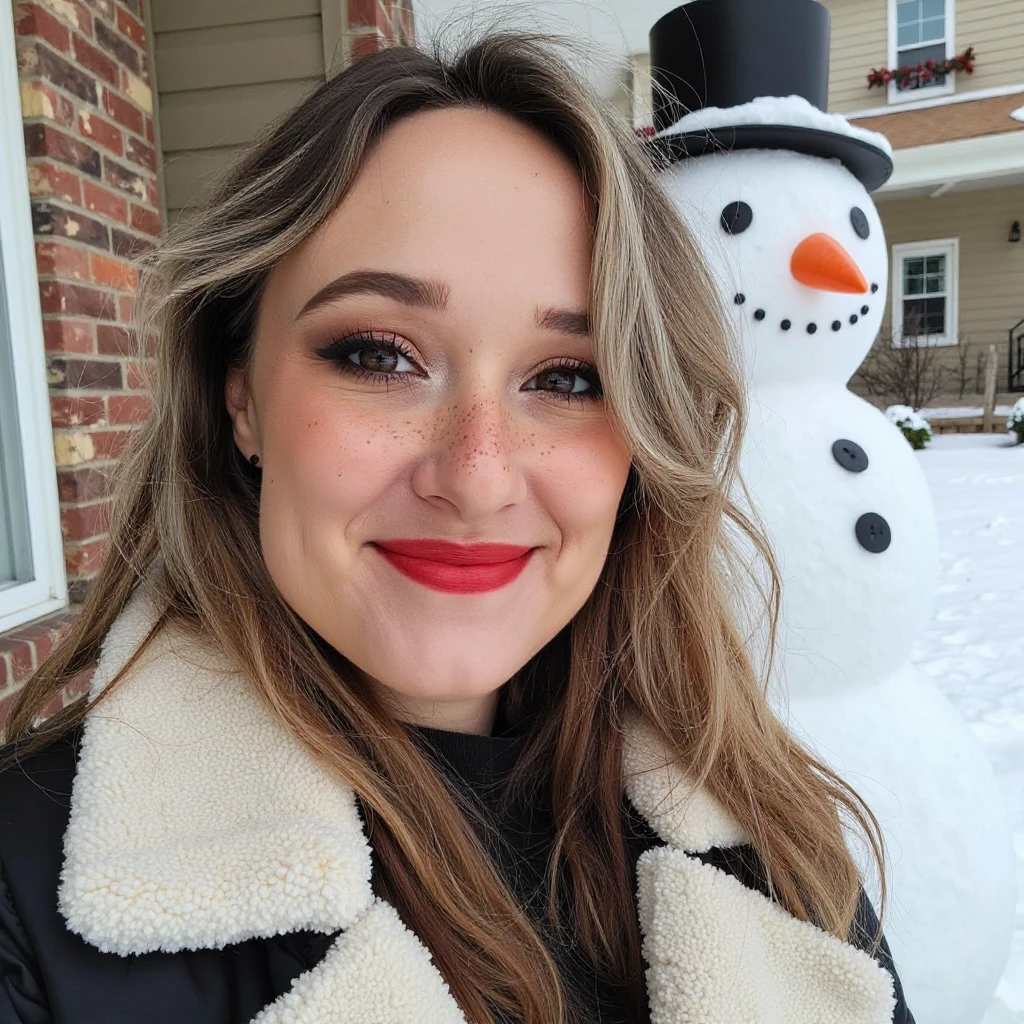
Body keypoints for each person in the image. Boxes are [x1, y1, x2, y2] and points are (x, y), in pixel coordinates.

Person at [0, 32, 913, 1024]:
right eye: (379, 355)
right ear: (240, 397)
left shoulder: (760, 825)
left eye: (567, 377)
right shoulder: (26, 895)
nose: (476, 475)